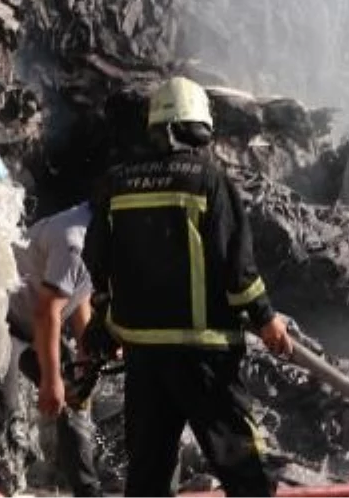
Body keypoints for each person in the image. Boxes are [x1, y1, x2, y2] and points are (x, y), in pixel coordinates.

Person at [82, 76, 293, 498]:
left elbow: (97, 261)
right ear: (197, 127)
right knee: (242, 465)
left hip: (144, 356)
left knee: (148, 471)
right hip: (204, 354)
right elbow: (236, 265)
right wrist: (267, 319)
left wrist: (105, 321)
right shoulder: (208, 180)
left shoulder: (117, 184)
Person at [0, 201, 103, 498]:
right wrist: (51, 381)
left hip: (31, 319)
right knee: (1, 409)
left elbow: (78, 293)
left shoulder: (101, 233)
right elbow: (47, 311)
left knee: (77, 397)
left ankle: (88, 491)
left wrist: (85, 354)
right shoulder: (74, 239)